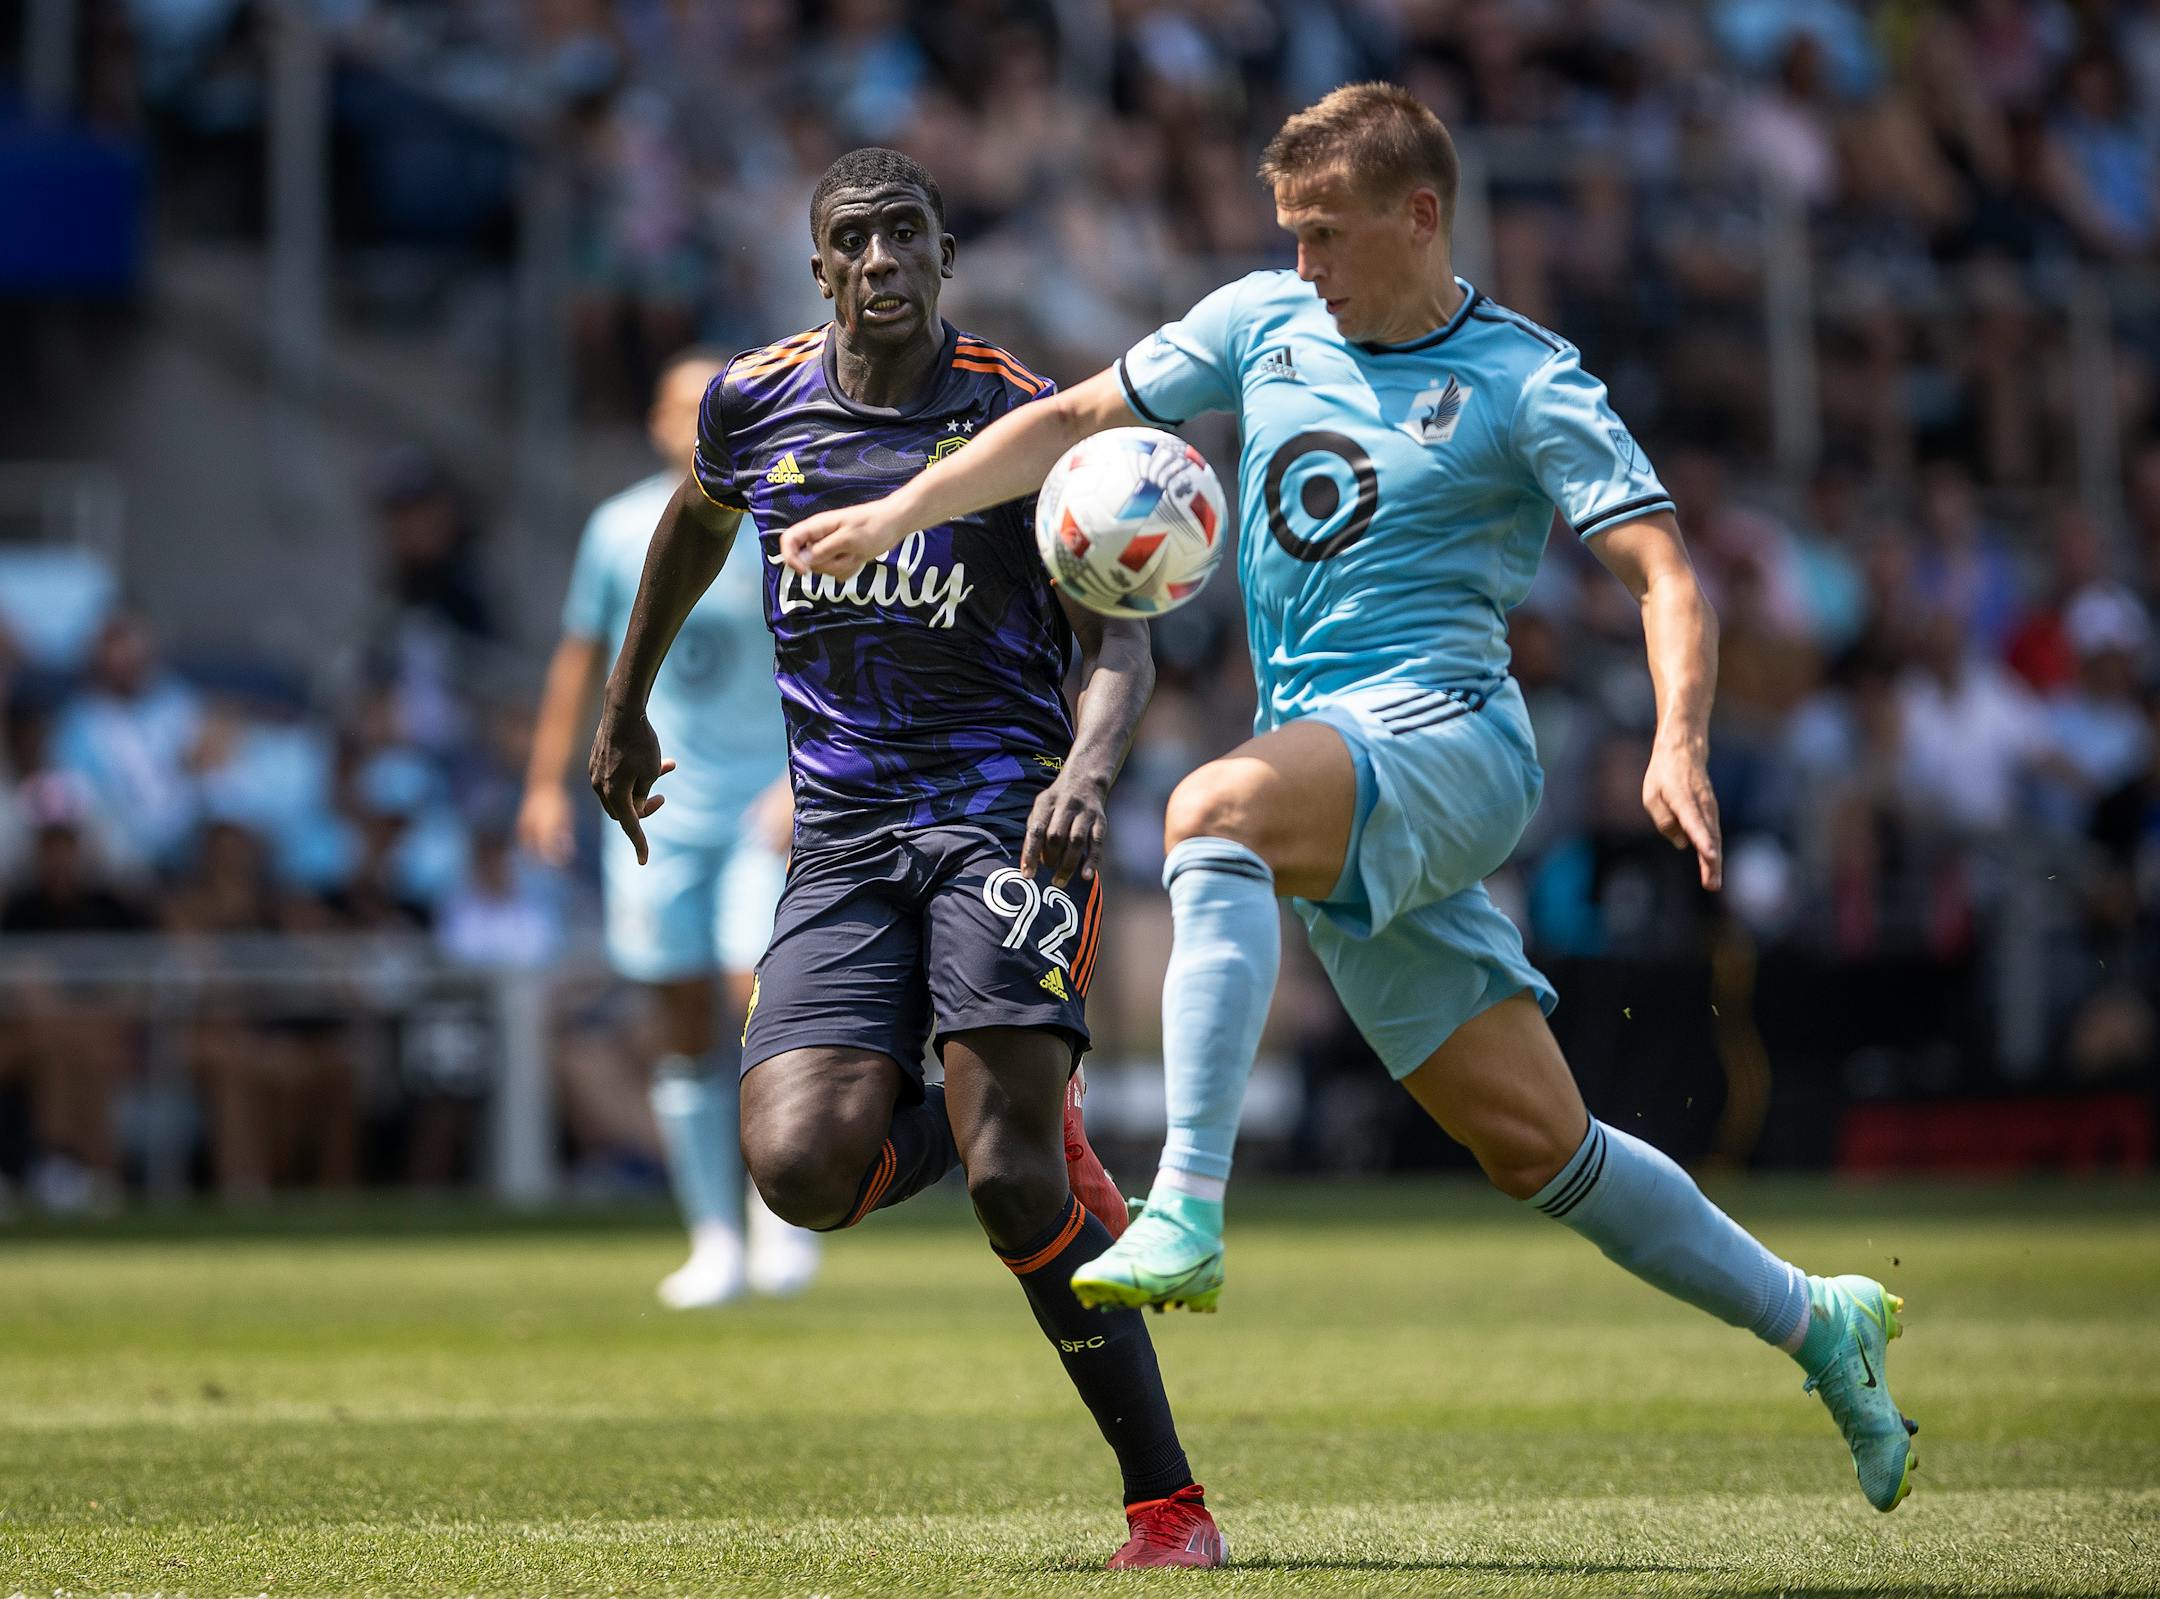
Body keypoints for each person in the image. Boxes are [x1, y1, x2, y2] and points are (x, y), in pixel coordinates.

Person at [779, 87, 1919, 1516]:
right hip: (1332, 766)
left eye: (1325, 235)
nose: (1304, 263)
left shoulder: (1525, 378)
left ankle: (1185, 1200)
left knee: (1207, 811)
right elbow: (1072, 416)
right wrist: (893, 516)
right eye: (1291, 236)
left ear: (1419, 214)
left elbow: (1662, 574)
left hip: (1452, 740)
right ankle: (1823, 1321)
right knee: (1538, 1149)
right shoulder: (1263, 322)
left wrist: (1676, 738)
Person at [588, 147, 1225, 1568]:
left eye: (905, 238)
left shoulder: (1015, 417)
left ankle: (1168, 1504)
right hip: (841, 838)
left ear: (945, 257)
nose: (880, 262)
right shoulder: (752, 404)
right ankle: (1029, 1114)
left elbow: (1121, 631)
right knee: (801, 1169)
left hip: (1005, 817)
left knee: (1009, 1184)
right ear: (817, 266)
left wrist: (1088, 767)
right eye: (852, 241)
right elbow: (695, 525)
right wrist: (622, 705)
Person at [520, 350, 820, 1308]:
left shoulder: (783, 516)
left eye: (711, 403)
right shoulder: (614, 530)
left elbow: (824, 655)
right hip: (659, 804)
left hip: (765, 800)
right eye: (680, 404)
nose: (696, 419)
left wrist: (802, 777)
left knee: (754, 991)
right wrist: (543, 784)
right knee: (679, 1014)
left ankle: (781, 1212)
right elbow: (582, 659)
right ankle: (712, 1236)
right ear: (654, 421)